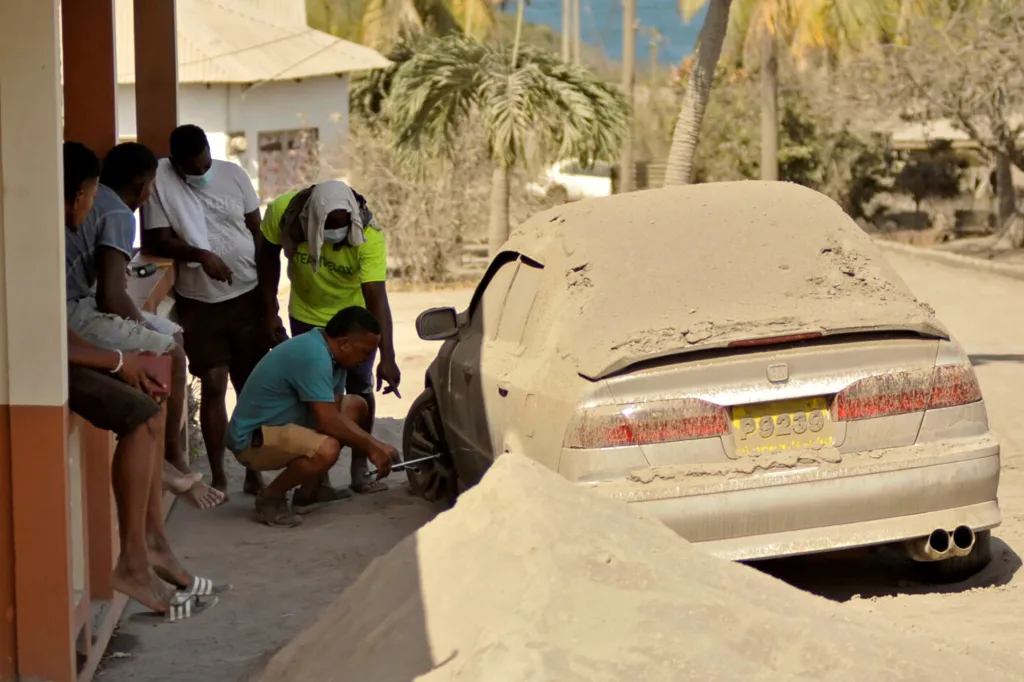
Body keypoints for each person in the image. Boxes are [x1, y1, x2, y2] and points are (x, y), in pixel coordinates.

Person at [64, 141, 224, 620]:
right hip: (63, 345)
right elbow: (104, 300)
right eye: (87, 197)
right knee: (164, 358)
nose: (92, 206)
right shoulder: (110, 214)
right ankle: (145, 541)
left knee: (150, 406)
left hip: (72, 334)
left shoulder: (80, 219)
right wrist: (119, 356)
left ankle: (153, 545)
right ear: (76, 196)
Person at [143, 124, 271, 498]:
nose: (200, 174)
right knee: (214, 384)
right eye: (192, 170)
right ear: (176, 164)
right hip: (200, 304)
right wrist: (201, 255)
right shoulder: (162, 183)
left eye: (204, 165)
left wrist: (268, 300)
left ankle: (254, 471)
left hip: (246, 296)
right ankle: (219, 475)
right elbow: (156, 239)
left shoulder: (233, 175)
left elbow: (257, 232)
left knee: (249, 388)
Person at [257, 181, 400, 495]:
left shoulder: (370, 237)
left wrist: (387, 356)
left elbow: (377, 299)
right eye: (329, 226)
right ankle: (316, 481)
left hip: (352, 322)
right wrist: (269, 310)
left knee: (360, 391)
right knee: (315, 396)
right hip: (306, 314)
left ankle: (360, 470)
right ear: (314, 219)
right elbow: (266, 258)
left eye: (342, 225)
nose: (336, 232)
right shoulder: (285, 212)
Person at [226, 306, 399, 527]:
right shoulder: (314, 356)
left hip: (281, 425)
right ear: (345, 343)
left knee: (356, 406)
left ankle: (312, 490)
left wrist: (374, 445)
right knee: (328, 449)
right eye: (365, 352)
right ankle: (270, 497)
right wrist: (374, 447)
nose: (367, 360)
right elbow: (328, 421)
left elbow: (334, 409)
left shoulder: (332, 354)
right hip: (252, 439)